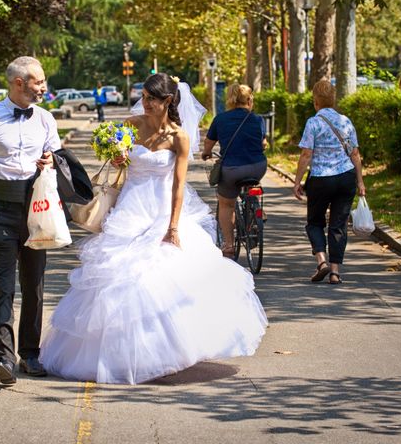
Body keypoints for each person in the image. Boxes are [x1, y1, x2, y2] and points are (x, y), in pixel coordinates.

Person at [39, 73, 267, 384]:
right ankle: (118, 353)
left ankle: (167, 351)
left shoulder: (179, 137)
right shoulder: (132, 124)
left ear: (168, 101)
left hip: (161, 208)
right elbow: (117, 164)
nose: (145, 103)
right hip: (131, 206)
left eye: (152, 99)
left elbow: (178, 185)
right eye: (144, 97)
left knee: (161, 277)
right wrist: (118, 156)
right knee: (119, 276)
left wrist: (173, 227)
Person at [0, 56, 61, 385]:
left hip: (36, 210)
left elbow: (57, 158)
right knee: (3, 287)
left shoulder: (46, 119)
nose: (43, 87)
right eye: (38, 81)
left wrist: (50, 161)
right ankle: (4, 357)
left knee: (34, 286)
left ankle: (30, 355)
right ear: (19, 82)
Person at [293, 79, 366, 284]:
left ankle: (322, 262)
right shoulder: (345, 121)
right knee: (338, 225)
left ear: (316, 102)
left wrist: (297, 181)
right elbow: (355, 154)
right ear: (333, 100)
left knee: (315, 222)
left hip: (320, 180)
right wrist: (360, 181)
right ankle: (335, 272)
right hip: (345, 178)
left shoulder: (313, 123)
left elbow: (306, 154)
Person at [201, 84, 267, 259]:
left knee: (226, 204)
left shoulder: (220, 119)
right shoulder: (258, 119)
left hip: (232, 169)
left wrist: (206, 153)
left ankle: (229, 245)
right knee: (251, 183)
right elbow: (263, 143)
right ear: (249, 99)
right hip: (258, 166)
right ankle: (255, 211)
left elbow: (208, 144)